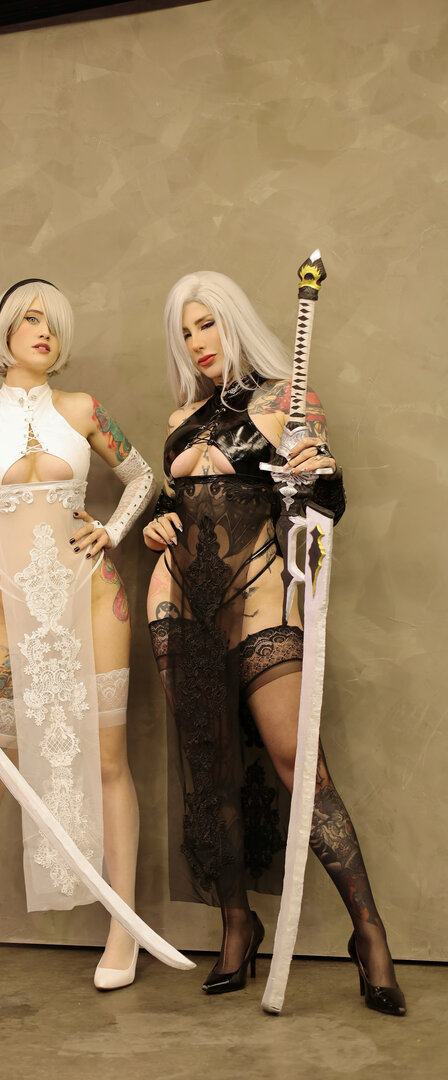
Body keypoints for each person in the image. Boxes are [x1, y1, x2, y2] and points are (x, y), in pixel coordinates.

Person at [143, 270, 406, 1015]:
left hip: (261, 594)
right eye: (185, 331)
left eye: (207, 324)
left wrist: (319, 474)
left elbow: (324, 504)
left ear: (232, 321)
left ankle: (369, 933)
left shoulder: (288, 400)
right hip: (179, 599)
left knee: (299, 763)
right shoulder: (181, 416)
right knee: (209, 771)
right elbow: (180, 504)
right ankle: (237, 927)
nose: (197, 343)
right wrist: (159, 518)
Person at [0, 278, 153, 991]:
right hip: (10, 616)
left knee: (109, 762)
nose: (45, 331)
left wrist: (113, 530)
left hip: (95, 600)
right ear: (5, 331)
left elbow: (141, 478)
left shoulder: (82, 409)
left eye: (54, 322)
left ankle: (123, 927)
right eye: (31, 319)